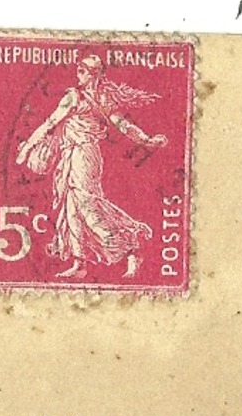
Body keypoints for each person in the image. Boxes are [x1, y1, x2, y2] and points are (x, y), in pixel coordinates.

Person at [15, 52, 167, 280]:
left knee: (87, 205)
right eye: (78, 68)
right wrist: (27, 147)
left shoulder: (89, 99)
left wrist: (146, 140)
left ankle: (130, 246)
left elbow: (123, 125)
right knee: (71, 208)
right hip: (71, 154)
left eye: (84, 70)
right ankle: (80, 262)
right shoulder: (77, 97)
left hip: (84, 155)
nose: (79, 73)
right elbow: (50, 124)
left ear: (94, 74)